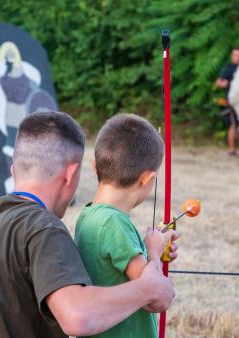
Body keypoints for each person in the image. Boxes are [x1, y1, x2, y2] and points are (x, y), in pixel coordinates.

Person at [0, 111, 177, 338]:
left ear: (14, 170)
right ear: (70, 174)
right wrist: (147, 287)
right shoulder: (41, 228)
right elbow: (78, 318)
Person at [74, 114, 179, 338]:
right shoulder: (114, 223)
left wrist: (154, 251)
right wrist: (153, 252)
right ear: (146, 179)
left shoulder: (89, 215)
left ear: (95, 167)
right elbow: (153, 295)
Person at [215, 47, 239, 156]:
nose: (237, 57)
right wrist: (231, 84)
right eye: (234, 55)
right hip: (232, 101)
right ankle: (232, 149)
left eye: (238, 55)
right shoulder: (228, 68)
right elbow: (219, 82)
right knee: (233, 125)